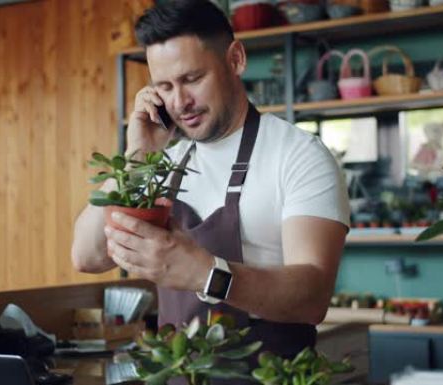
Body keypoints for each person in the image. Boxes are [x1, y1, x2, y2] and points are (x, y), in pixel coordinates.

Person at [71, 0, 350, 369]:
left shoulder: (298, 155)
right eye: (164, 86)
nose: (180, 102)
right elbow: (87, 256)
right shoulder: (162, 163)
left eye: (192, 79)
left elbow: (313, 296)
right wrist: (137, 153)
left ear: (235, 59)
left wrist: (206, 273)